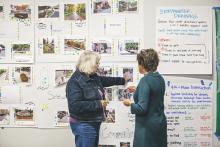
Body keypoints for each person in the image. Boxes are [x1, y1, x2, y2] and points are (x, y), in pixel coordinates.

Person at [66, 50, 128, 147]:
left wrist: (122, 80)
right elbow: (75, 106)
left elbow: (105, 80)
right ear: (89, 64)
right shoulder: (75, 82)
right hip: (84, 124)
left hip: (92, 122)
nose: (98, 65)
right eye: (97, 63)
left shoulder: (92, 76)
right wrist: (98, 104)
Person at [123, 49, 167, 147]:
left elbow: (142, 108)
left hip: (146, 128)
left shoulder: (145, 81)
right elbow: (154, 95)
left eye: (138, 63)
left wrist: (129, 103)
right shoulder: (160, 78)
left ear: (143, 65)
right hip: (159, 124)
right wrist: (138, 89)